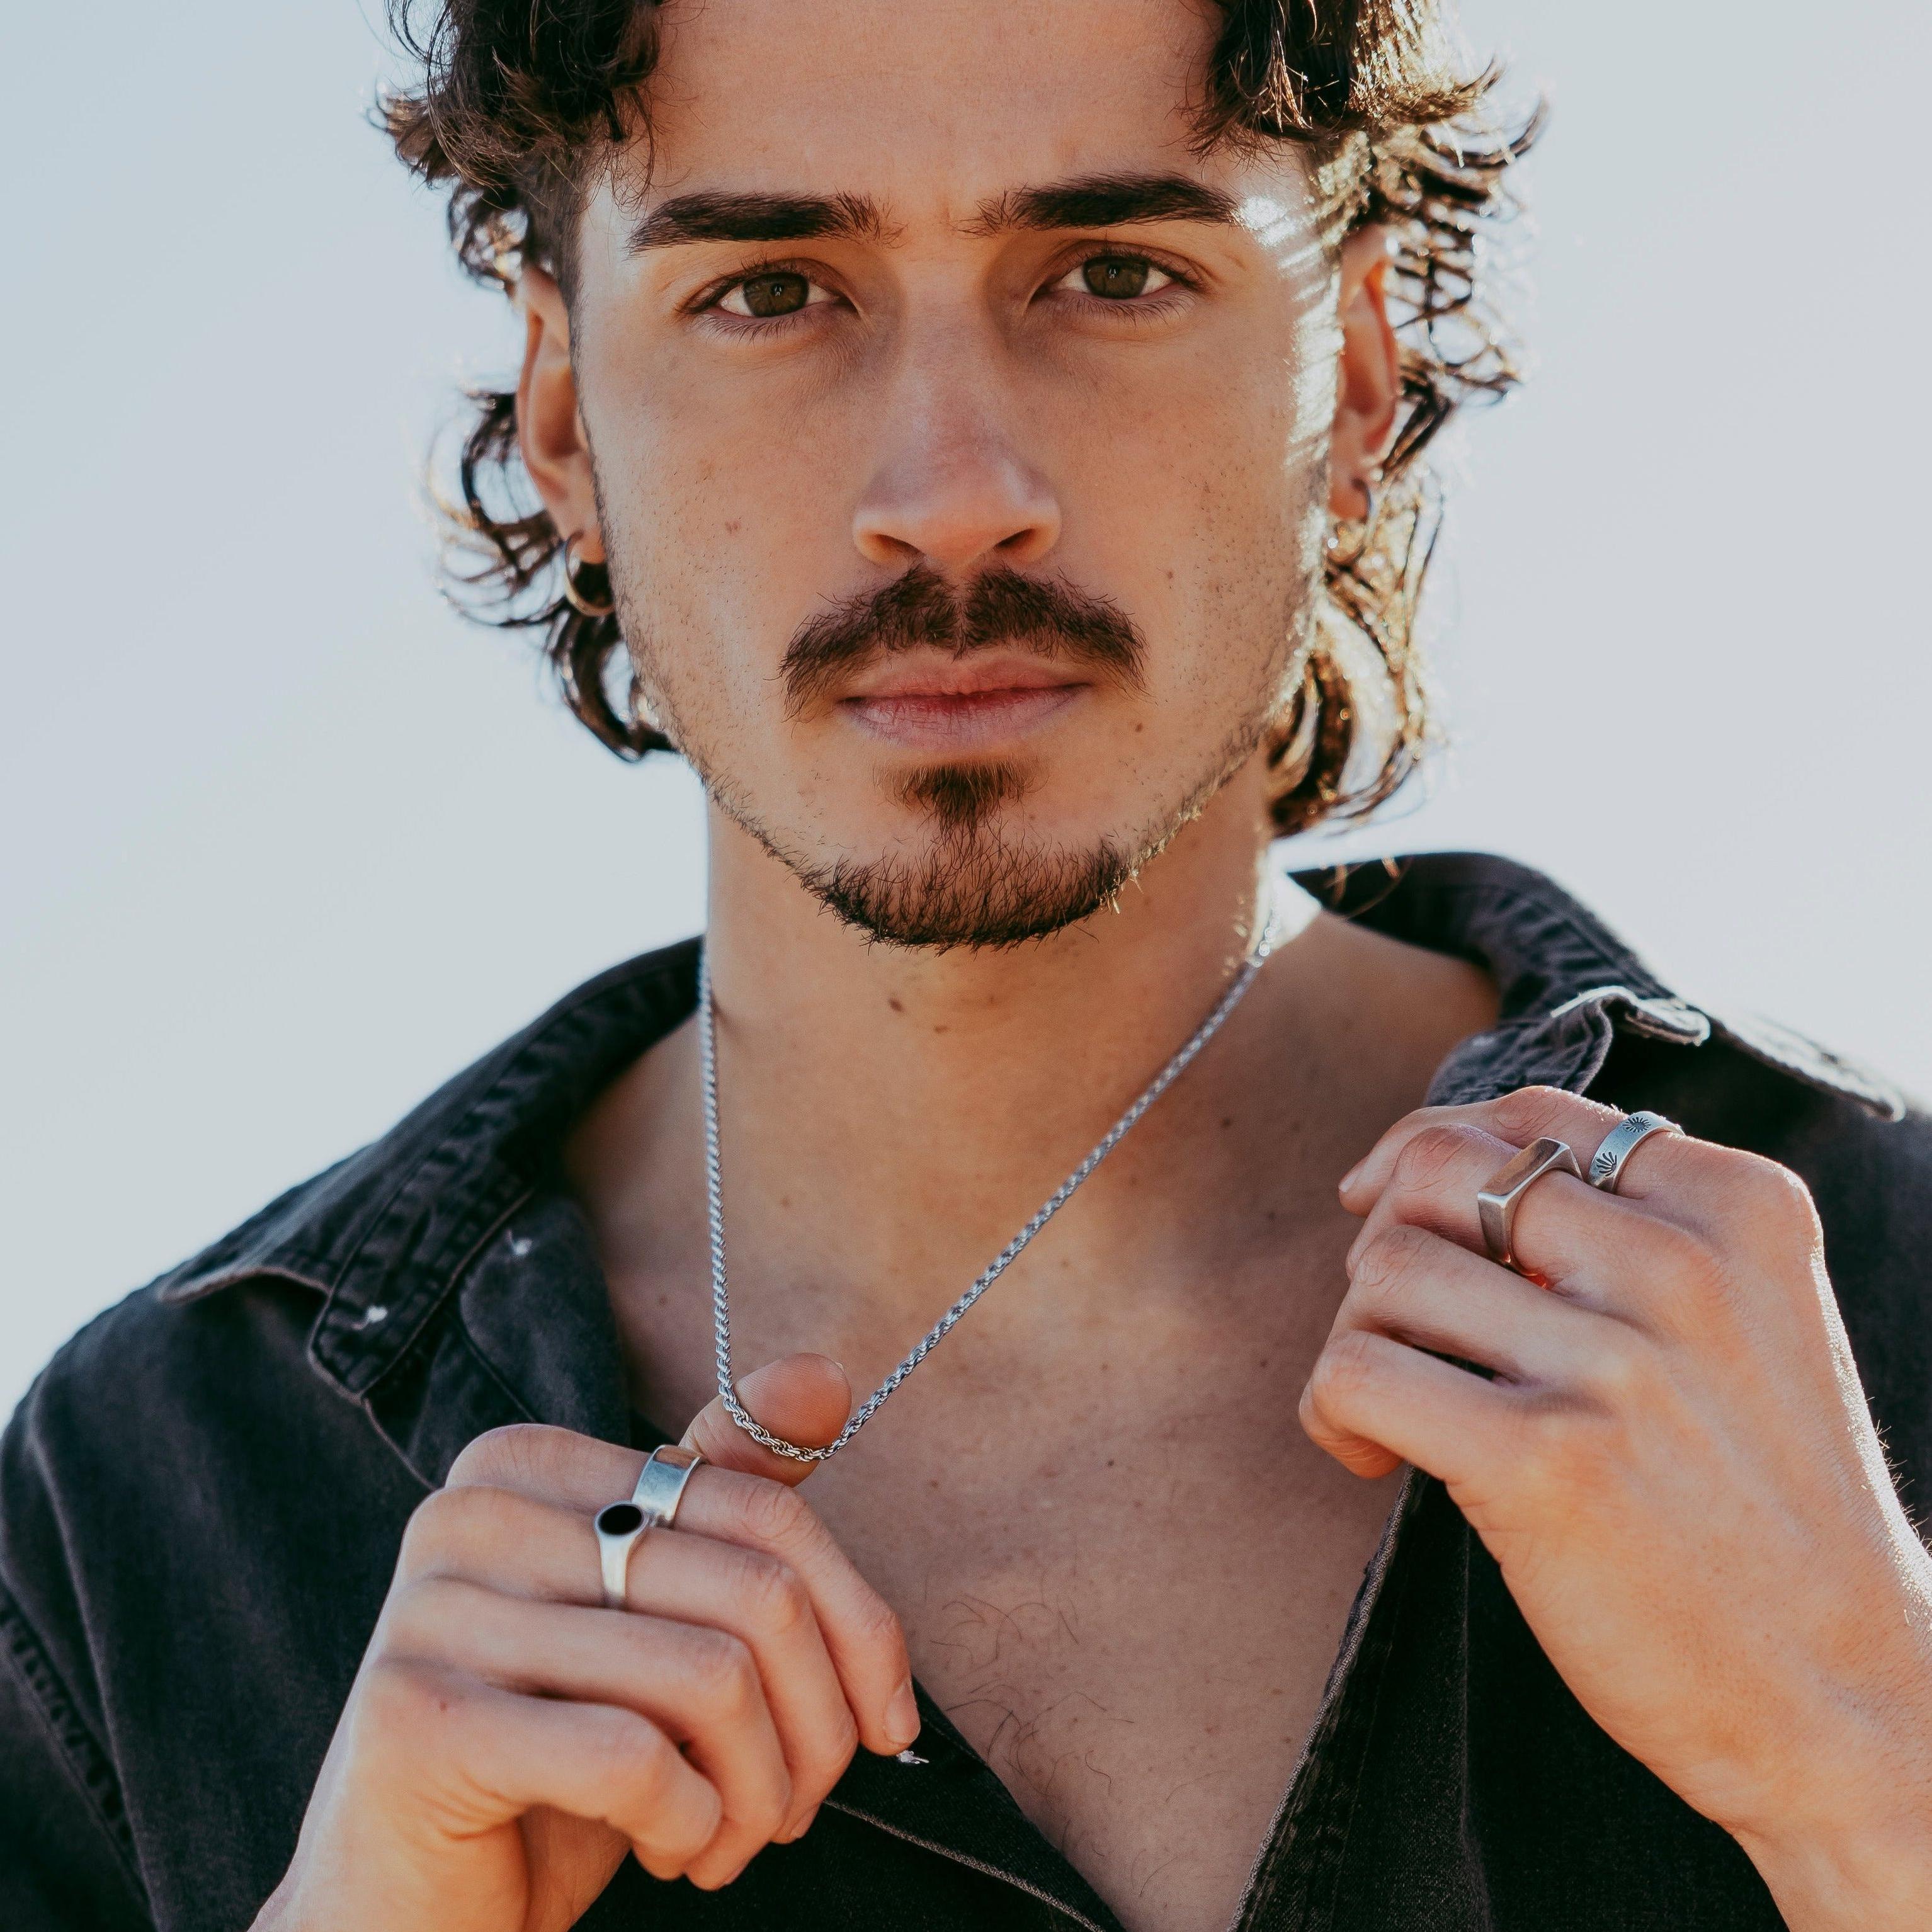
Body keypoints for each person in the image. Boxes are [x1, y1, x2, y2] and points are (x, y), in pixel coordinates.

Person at [4, 2, 1930, 1928]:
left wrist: (1869, 1753)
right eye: (769, 292)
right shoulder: (154, 1498)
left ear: (1350, 375)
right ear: (566, 421)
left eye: (1112, 273)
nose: (947, 492)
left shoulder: (1874, 1285)